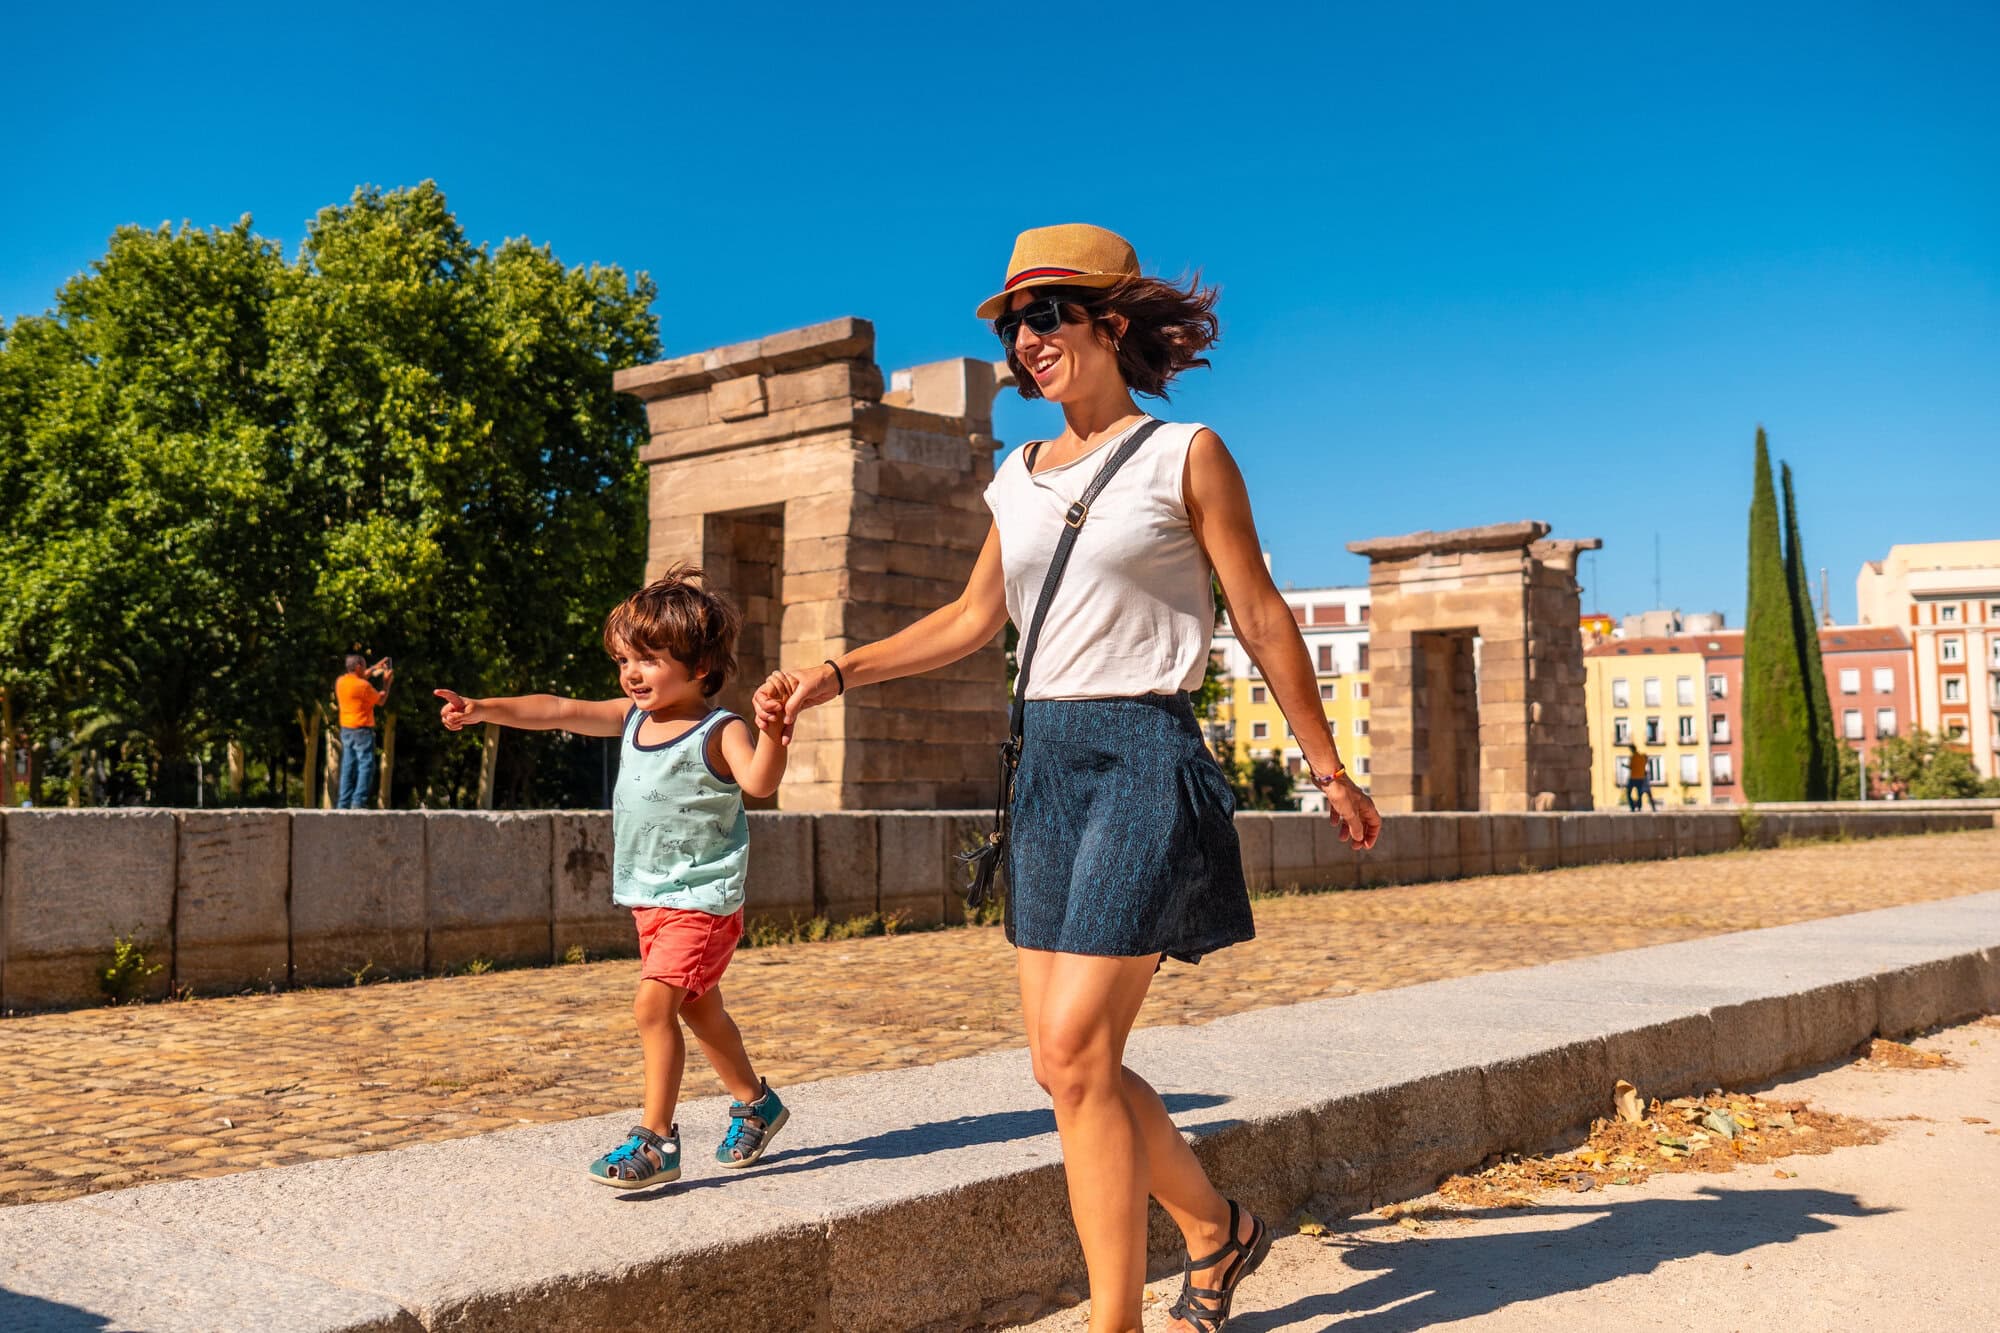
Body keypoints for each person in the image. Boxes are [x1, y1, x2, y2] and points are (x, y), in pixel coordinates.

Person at [755, 224, 1382, 1333]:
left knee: (1081, 1050)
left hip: (1143, 755)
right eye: (1011, 324)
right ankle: (1214, 1230)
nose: (1025, 340)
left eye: (1045, 314)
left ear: (1110, 321)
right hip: (1041, 764)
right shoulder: (1016, 473)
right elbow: (969, 617)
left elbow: (1259, 612)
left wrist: (1325, 767)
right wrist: (832, 672)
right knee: (1060, 1064)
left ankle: (1113, 1320)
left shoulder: (1184, 453)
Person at [435, 567, 792, 1188]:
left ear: (702, 666)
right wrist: (484, 709)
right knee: (701, 1012)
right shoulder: (632, 719)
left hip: (702, 901)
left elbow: (759, 783)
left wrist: (773, 734)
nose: (632, 673)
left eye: (649, 660)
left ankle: (657, 1141)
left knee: (654, 1006)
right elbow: (559, 709)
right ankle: (757, 1103)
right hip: (650, 900)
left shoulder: (720, 730)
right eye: (625, 659)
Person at [334, 653, 393, 808]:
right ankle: (358, 801)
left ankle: (343, 803)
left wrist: (376, 667)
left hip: (346, 729)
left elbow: (362, 677)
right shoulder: (363, 686)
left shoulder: (341, 682)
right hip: (362, 730)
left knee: (348, 767)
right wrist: (386, 683)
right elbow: (380, 700)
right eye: (365, 665)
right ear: (359, 667)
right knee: (366, 765)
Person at [1625, 743, 1657, 811]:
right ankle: (1639, 807)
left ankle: (1633, 807)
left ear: (1632, 749)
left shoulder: (1633, 757)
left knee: (1629, 792)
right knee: (1640, 794)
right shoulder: (1641, 757)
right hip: (1641, 779)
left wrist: (1624, 766)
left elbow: (1631, 767)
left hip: (1634, 778)